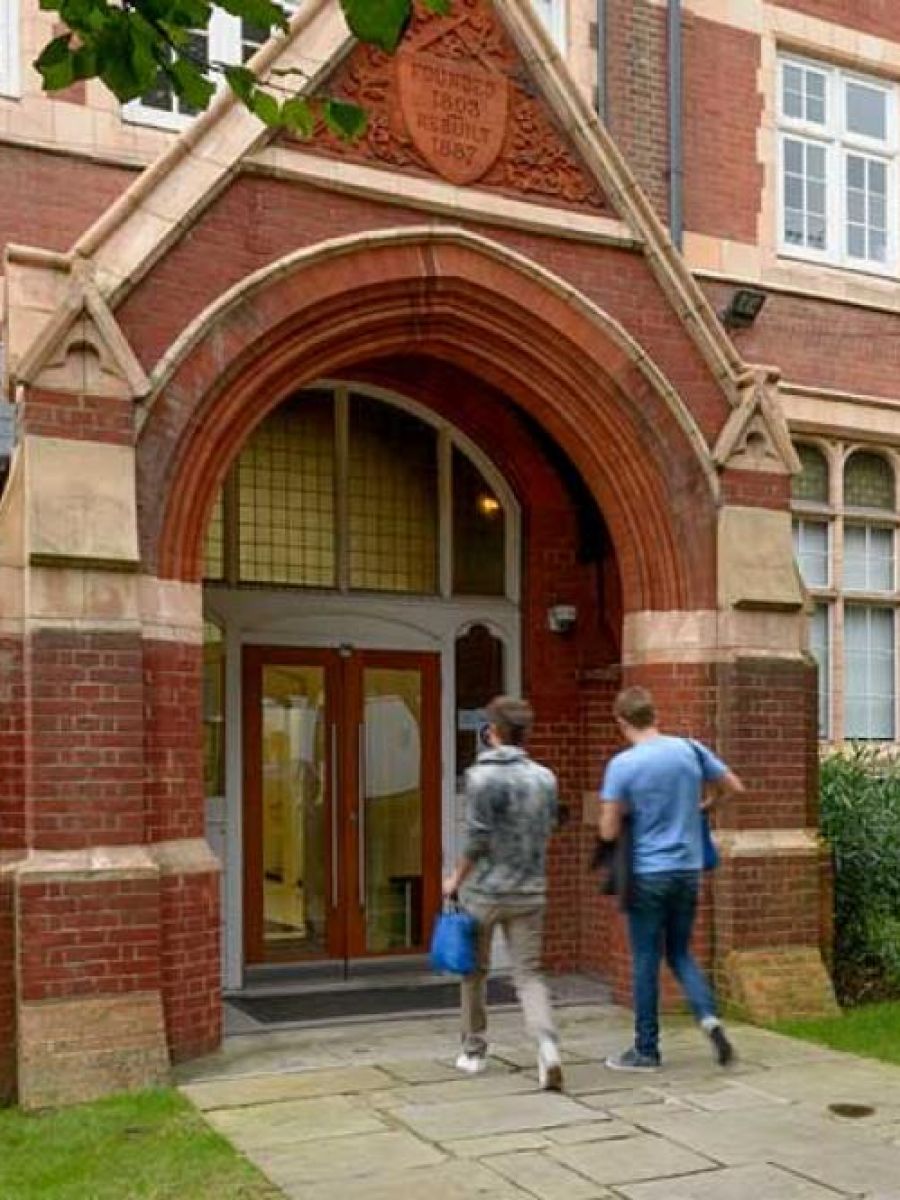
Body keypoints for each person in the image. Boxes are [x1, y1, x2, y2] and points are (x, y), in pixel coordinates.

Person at [599, 685, 745, 1072]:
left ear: (621, 721)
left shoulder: (623, 765)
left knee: (646, 960)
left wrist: (627, 814)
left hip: (647, 873)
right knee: (680, 953)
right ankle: (709, 1019)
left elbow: (608, 830)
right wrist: (707, 805)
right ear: (655, 715)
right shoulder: (689, 750)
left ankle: (646, 1050)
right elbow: (734, 786)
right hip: (688, 870)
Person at [442, 695, 563, 1091]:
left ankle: (473, 1050)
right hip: (530, 890)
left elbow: (477, 839)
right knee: (528, 975)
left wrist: (455, 879)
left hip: (486, 892)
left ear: (491, 731)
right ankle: (546, 1046)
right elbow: (549, 827)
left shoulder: (480, 777)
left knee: (474, 972)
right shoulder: (544, 778)